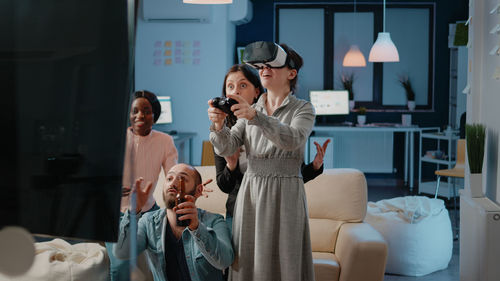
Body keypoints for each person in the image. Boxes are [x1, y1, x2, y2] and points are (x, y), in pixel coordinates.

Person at [208, 42, 315, 281]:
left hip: (286, 190)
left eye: (272, 66)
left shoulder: (303, 109)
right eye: (262, 66)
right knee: (248, 259)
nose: (265, 70)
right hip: (252, 191)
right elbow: (228, 145)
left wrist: (257, 117)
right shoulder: (252, 108)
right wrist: (217, 125)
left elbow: (293, 139)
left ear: (291, 73)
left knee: (286, 259)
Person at [214, 64, 330, 224]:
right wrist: (231, 165)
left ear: (256, 91)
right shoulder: (223, 132)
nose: (236, 92)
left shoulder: (273, 125)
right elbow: (224, 186)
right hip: (238, 210)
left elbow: (288, 173)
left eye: (242, 85)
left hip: (274, 206)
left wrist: (314, 167)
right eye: (230, 86)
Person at [113, 163, 234, 281]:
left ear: (198, 190)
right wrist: (133, 212)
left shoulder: (214, 220)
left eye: (182, 179)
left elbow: (225, 261)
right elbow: (121, 252)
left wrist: (197, 227)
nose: (173, 183)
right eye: (169, 178)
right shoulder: (148, 222)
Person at [106, 90, 178, 281]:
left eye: (146, 111)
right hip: (117, 214)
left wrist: (184, 186)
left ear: (154, 114)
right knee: (120, 265)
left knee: (169, 257)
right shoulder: (115, 140)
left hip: (149, 212)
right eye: (134, 111)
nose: (140, 116)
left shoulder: (164, 141)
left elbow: (173, 175)